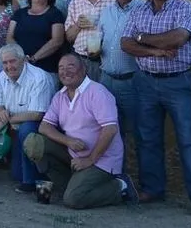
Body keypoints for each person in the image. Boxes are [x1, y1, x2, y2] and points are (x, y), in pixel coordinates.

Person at [120, 0, 191, 219]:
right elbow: (126, 44)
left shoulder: (186, 7)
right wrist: (157, 50)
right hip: (146, 81)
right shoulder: (139, 11)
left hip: (177, 82)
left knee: (189, 141)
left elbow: (179, 37)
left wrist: (143, 39)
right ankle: (153, 189)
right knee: (147, 138)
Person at [24, 54, 136, 210]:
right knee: (34, 142)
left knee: (73, 200)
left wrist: (90, 159)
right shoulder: (60, 96)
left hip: (101, 160)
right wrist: (68, 141)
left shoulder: (97, 92)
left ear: (84, 69)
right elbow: (44, 127)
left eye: (71, 66)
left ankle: (120, 187)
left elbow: (110, 130)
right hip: (74, 154)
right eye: (61, 68)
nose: (65, 71)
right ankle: (72, 186)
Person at [0, 43, 55, 193]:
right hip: (16, 127)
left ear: (23, 60)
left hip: (39, 127)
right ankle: (39, 174)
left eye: (12, 61)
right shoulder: (2, 75)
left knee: (27, 128)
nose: (8, 66)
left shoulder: (39, 77)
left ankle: (31, 182)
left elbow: (36, 114)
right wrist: (0, 114)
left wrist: (4, 121)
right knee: (16, 174)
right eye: (5, 63)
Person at [98, 0, 143, 146]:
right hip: (106, 80)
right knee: (110, 134)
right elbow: (101, 40)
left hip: (133, 81)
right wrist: (94, 49)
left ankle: (144, 174)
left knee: (141, 133)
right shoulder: (106, 12)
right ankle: (116, 173)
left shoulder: (145, 9)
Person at [65, 0, 115, 81]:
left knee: (106, 97)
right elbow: (69, 37)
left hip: (108, 59)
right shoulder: (75, 2)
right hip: (82, 60)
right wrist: (78, 26)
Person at [7, 0, 65, 77]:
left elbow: (57, 41)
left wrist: (32, 59)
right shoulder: (19, 13)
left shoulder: (55, 14)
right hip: (20, 70)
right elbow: (9, 37)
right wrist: (21, 57)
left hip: (47, 71)